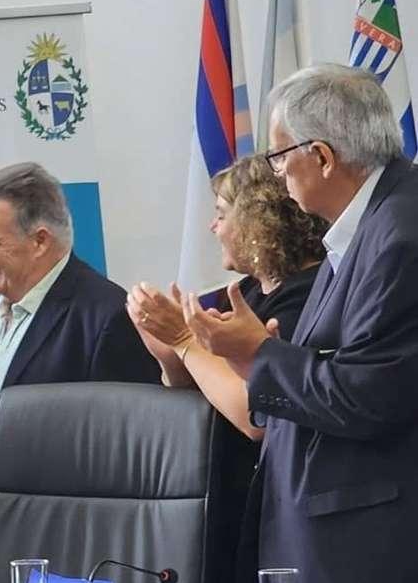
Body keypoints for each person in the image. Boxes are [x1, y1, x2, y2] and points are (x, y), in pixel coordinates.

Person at [184, 64, 418, 583]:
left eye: (279, 155)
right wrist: (261, 358)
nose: (277, 171)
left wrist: (258, 355)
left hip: (368, 555)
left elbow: (368, 396)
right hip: (334, 540)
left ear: (322, 157)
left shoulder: (400, 235)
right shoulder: (365, 227)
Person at [0, 162, 159, 583]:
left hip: (58, 566)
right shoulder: (4, 313)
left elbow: (121, 465)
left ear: (40, 240)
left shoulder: (104, 316)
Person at [128, 155, 325, 440]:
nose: (213, 227)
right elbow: (204, 393)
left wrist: (185, 340)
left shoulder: (307, 296)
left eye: (221, 215)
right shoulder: (247, 290)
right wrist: (172, 357)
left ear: (257, 222)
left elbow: (256, 419)